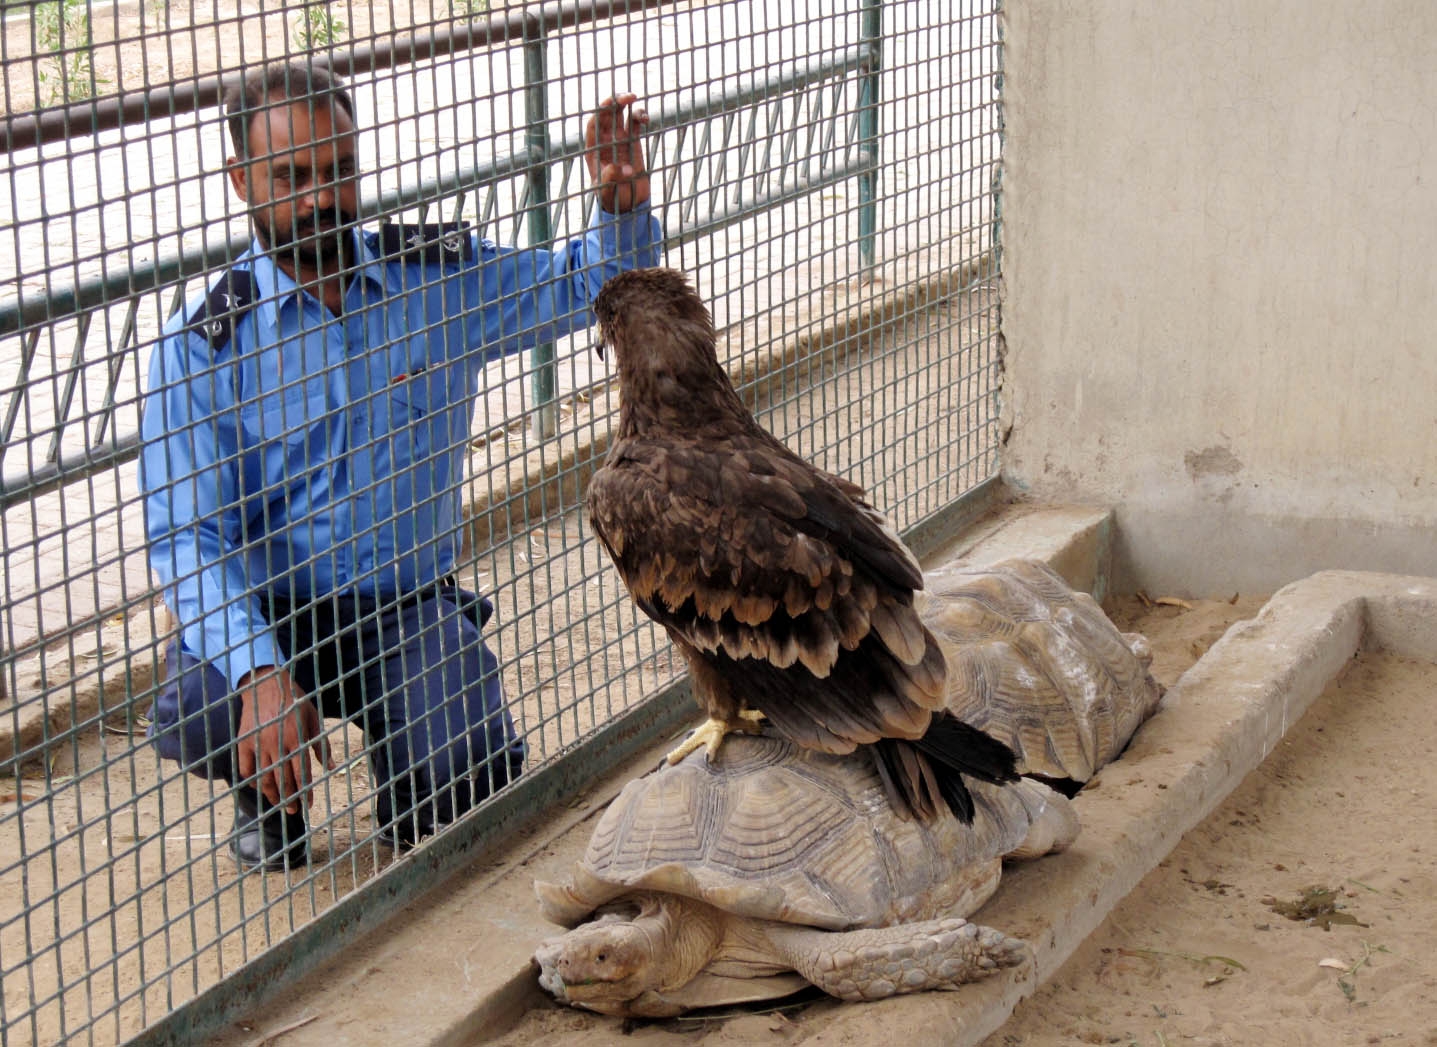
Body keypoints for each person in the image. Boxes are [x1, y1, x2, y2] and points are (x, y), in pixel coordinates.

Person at [140, 59, 661, 871]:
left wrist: (619, 209)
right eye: (293, 175)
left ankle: (409, 763)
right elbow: (186, 538)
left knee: (461, 784)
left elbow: (585, 285)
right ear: (240, 179)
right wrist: (256, 670)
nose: (321, 198)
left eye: (338, 171)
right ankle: (266, 792)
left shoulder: (435, 282)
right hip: (269, 611)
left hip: (399, 606)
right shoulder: (204, 348)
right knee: (207, 704)